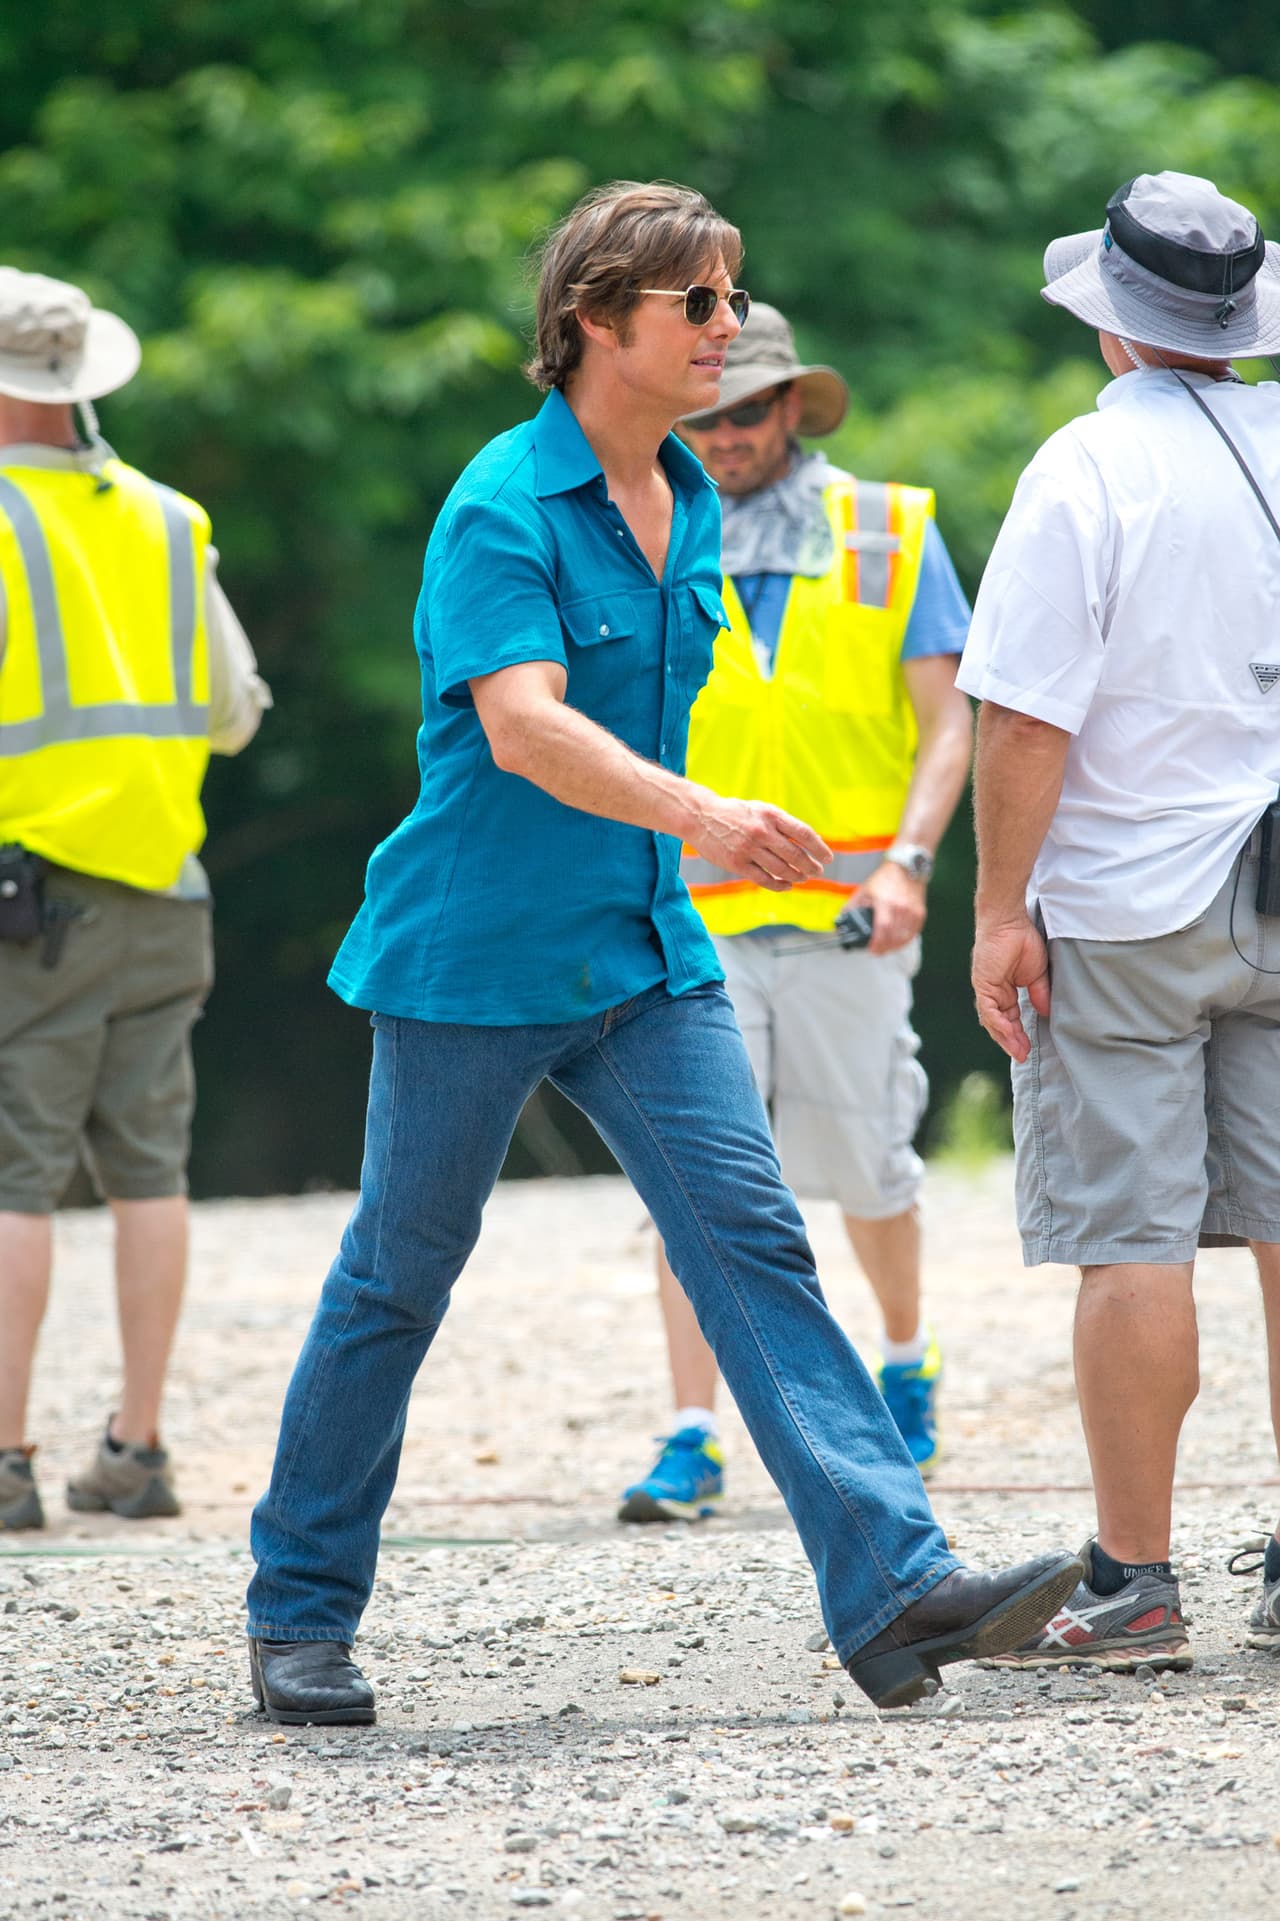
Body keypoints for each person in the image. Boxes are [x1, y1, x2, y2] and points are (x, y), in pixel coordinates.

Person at [244, 179, 1080, 1727]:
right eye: (697, 303)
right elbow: (524, 723)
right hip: (472, 960)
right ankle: (297, 1612)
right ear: (591, 322)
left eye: (733, 296)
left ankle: (894, 1588)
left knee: (751, 1240)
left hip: (643, 950)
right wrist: (705, 813)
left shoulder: (687, 496)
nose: (729, 328)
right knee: (395, 1283)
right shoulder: (501, 503)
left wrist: (692, 843)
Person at [958, 171, 1280, 1669]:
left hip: (1129, 905)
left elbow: (1023, 720)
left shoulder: (1085, 470)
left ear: (1113, 323)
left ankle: (1136, 1584)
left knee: (1133, 1239)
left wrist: (996, 910)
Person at [617, 303, 973, 1525]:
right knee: (691, 1178)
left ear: (791, 407)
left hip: (846, 912)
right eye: (703, 414)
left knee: (870, 1158)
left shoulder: (886, 529)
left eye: (746, 411)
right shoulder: (641, 526)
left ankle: (905, 1357)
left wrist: (911, 865)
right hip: (689, 913)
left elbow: (947, 723)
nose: (721, 434)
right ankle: (689, 1431)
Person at [0, 267, 270, 1531]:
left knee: (14, 1177)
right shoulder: (171, 518)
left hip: (30, 903)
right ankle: (136, 1449)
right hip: (168, 889)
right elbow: (233, 709)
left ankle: (4, 1465)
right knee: (147, 1172)